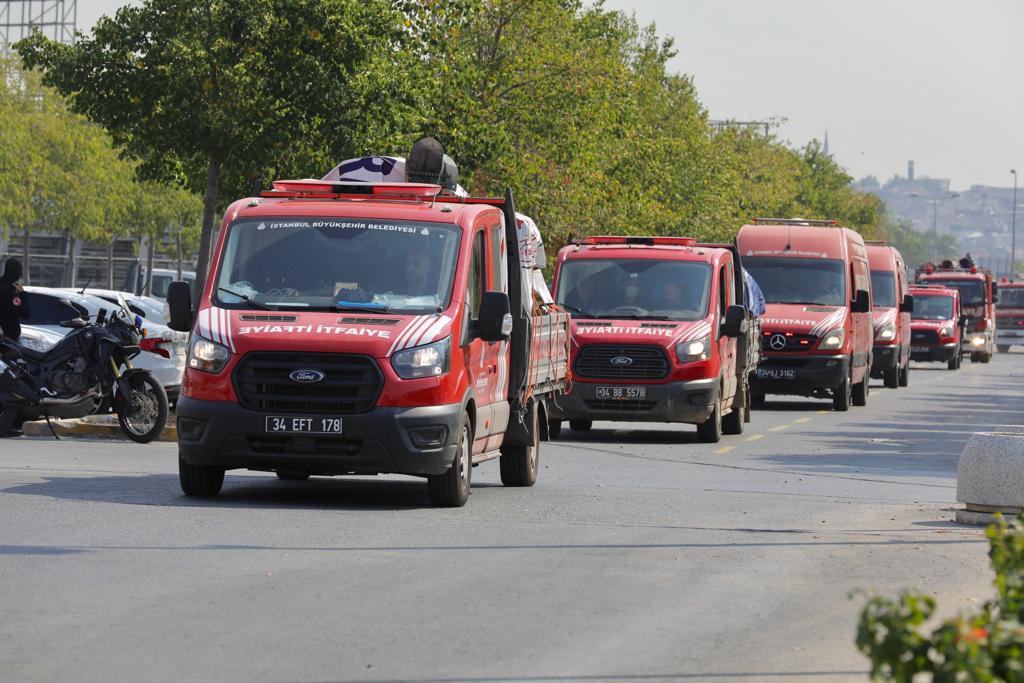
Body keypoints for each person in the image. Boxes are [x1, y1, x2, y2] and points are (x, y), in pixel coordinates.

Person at [0, 258, 30, 342]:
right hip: (8, 339)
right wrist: (23, 294)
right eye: (20, 271)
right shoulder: (12, 291)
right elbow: (25, 313)